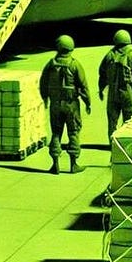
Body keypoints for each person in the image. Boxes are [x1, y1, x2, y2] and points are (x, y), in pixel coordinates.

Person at [39, 35, 92, 174]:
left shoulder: (51, 64)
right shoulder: (75, 64)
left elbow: (43, 83)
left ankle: (55, 164)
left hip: (55, 105)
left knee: (56, 133)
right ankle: (73, 164)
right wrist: (88, 102)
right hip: (71, 104)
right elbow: (83, 86)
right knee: (73, 132)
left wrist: (45, 98)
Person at [97, 29, 132, 137]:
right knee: (129, 121)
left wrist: (101, 90)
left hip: (112, 93)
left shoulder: (109, 56)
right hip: (127, 93)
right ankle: (125, 141)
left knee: (112, 122)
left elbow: (102, 74)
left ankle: (112, 142)